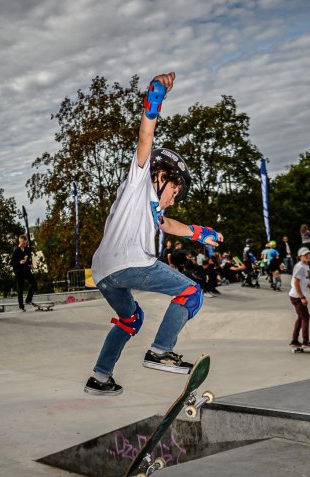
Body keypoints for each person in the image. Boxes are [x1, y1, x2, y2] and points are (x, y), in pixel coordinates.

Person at [84, 71, 223, 396]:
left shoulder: (149, 208)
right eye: (174, 190)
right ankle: (161, 351)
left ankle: (100, 378)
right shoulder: (139, 180)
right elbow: (145, 139)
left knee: (131, 319)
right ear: (161, 176)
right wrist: (154, 99)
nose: (173, 198)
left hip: (103, 273)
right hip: (131, 263)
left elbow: (167, 225)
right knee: (191, 293)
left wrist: (199, 232)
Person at [289, 247, 310, 350]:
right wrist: (302, 297)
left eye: (308, 254)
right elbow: (296, 282)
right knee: (306, 317)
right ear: (300, 257)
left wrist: (309, 285)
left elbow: (303, 279)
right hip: (297, 297)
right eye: (305, 255)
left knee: (300, 317)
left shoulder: (306, 265)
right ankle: (305, 342)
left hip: (297, 296)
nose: (307, 256)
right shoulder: (299, 267)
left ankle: (294, 340)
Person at [10, 234, 37, 310]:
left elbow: (28, 260)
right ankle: (21, 306)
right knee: (20, 289)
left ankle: (28, 299)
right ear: (20, 241)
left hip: (26, 270)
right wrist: (19, 262)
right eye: (23, 243)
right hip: (19, 271)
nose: (25, 245)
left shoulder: (27, 249)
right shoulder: (16, 250)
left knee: (34, 284)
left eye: (26, 243)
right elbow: (11, 263)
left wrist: (30, 264)